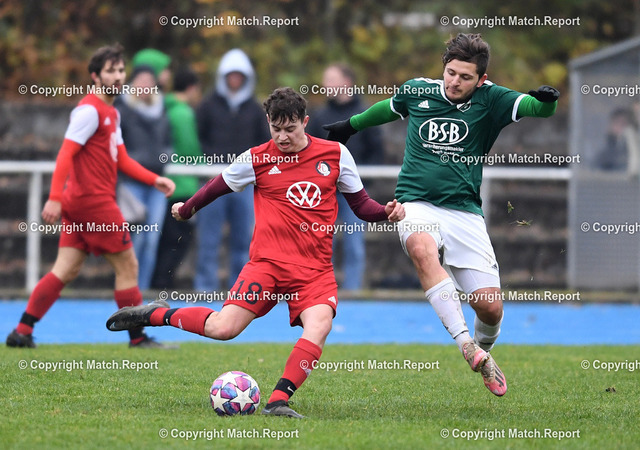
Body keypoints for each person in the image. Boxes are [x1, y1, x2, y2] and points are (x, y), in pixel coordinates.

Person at [106, 87, 405, 417]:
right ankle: (156, 315)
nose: (282, 137)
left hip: (314, 271)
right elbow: (218, 185)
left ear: (305, 122)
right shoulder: (257, 158)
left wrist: (385, 212)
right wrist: (188, 208)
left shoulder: (336, 155)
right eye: (276, 129)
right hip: (267, 266)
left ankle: (278, 401)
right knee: (223, 329)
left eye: (290, 129)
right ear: (268, 123)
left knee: (319, 325)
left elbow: (362, 206)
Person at [324, 33, 560, 397]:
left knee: (490, 309)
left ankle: (484, 351)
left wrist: (547, 102)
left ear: (481, 79)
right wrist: (351, 126)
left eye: (465, 77)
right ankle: (466, 344)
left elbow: (534, 108)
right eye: (451, 73)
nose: (455, 82)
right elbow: (388, 108)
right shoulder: (419, 91)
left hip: (464, 212)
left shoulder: (492, 99)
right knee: (421, 247)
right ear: (444, 68)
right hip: (416, 203)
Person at [6, 44, 175, 348]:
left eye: (121, 70)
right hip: (93, 204)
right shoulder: (89, 111)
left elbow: (122, 159)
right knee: (128, 267)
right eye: (110, 71)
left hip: (80, 205)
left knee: (65, 269)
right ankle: (138, 338)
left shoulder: (112, 112)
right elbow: (65, 154)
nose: (118, 76)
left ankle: (22, 331)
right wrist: (54, 197)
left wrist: (154, 179)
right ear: (95, 76)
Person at [195, 48, 270, 292]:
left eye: (239, 75)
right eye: (231, 75)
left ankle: (240, 290)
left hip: (244, 185)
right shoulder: (208, 106)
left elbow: (264, 143)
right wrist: (208, 164)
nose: (235, 80)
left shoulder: (255, 109)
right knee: (208, 239)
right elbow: (197, 140)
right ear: (224, 76)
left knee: (244, 240)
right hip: (213, 182)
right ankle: (205, 289)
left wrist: (252, 172)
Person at [307, 63, 385, 290]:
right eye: (325, 80)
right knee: (321, 245)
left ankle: (353, 293)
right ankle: (320, 292)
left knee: (354, 246)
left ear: (347, 82)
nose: (325, 85)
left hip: (355, 195)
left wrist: (361, 182)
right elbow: (308, 152)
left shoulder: (366, 115)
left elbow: (377, 151)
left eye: (331, 80)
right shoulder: (320, 116)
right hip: (324, 194)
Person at [115, 65, 173, 290]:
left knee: (151, 240)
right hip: (132, 183)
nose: (145, 85)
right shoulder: (121, 109)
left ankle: (142, 290)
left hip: (156, 183)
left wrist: (163, 157)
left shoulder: (161, 109)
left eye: (149, 80)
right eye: (141, 80)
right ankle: (128, 288)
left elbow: (167, 142)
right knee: (134, 239)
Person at [151, 68, 203, 289]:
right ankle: (162, 286)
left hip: (167, 183)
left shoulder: (164, 107)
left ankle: (156, 285)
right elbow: (191, 150)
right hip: (183, 185)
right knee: (177, 242)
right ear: (192, 88)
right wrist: (206, 167)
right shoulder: (183, 114)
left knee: (164, 241)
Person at [595, 107, 639, 175]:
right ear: (610, 127)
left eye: (624, 124)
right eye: (617, 123)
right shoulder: (603, 157)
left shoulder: (636, 154)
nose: (621, 128)